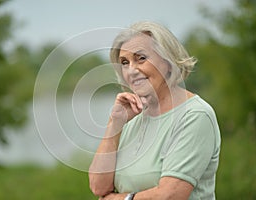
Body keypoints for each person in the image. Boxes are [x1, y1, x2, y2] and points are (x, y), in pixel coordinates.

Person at [88, 21, 221, 200]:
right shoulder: (131, 117)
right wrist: (114, 124)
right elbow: (98, 186)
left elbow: (171, 195)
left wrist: (122, 199)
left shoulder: (195, 115)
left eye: (141, 58)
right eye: (125, 63)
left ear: (167, 61)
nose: (131, 70)